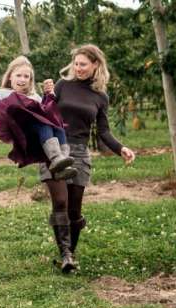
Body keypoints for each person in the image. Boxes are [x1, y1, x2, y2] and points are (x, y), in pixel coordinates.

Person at [40, 44, 136, 273]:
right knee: (60, 202)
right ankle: (65, 254)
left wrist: (120, 148)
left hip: (80, 153)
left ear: (95, 65)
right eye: (76, 63)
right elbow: (44, 112)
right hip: (55, 149)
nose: (78, 68)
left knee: (74, 210)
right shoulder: (63, 85)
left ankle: (69, 255)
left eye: (83, 64)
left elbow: (103, 131)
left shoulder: (100, 96)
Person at [0, 56, 77, 179]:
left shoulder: (33, 96)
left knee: (58, 126)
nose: (22, 79)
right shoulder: (3, 93)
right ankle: (56, 159)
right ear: (10, 76)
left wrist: (48, 95)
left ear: (30, 80)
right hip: (22, 131)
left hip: (38, 129)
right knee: (44, 125)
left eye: (26, 76)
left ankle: (62, 162)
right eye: (18, 75)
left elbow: (45, 112)